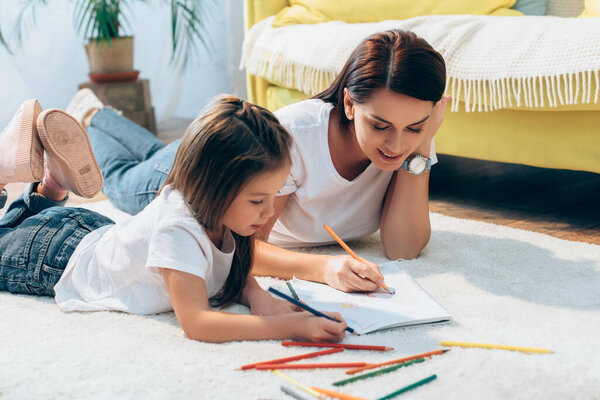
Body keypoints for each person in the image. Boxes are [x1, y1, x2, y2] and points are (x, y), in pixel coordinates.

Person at [68, 29, 449, 293]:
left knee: (151, 154)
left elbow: (404, 248)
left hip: (235, 143)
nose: (395, 144)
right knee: (122, 180)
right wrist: (323, 268)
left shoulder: (412, 140)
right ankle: (89, 120)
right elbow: (244, 249)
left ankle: (100, 115)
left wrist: (423, 144)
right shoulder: (297, 135)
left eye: (414, 127)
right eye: (380, 125)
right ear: (350, 104)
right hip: (213, 172)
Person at [0, 96, 348, 343]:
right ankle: (6, 175)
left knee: (31, 224)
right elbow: (197, 323)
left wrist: (264, 301)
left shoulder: (231, 215)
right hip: (54, 259)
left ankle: (51, 190)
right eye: (258, 200)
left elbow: (235, 272)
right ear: (216, 185)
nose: (270, 211)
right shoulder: (178, 229)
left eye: (273, 196)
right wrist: (288, 328)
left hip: (91, 232)